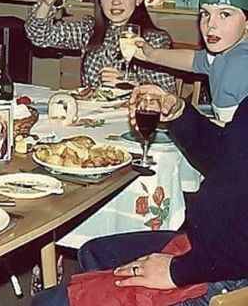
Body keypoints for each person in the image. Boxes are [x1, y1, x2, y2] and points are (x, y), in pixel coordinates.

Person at [31, 85, 248, 305]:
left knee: (50, 303)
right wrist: (180, 115)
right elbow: (225, 157)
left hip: (229, 275)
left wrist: (176, 272)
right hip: (209, 241)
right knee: (95, 253)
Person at [25, 0, 175, 92]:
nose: (116, 2)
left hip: (132, 114)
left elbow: (168, 93)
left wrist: (129, 81)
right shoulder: (89, 30)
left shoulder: (154, 40)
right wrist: (47, 3)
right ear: (99, 0)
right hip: (91, 114)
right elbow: (39, 36)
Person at [136, 0, 248, 123]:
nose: (211, 24)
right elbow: (194, 60)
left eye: (224, 14)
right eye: (205, 14)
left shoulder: (241, 65)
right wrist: (152, 54)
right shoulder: (223, 54)